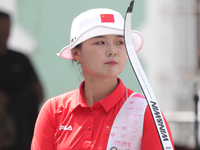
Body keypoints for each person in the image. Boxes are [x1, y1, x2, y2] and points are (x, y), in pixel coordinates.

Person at [31, 8, 174, 150]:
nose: (112, 51)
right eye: (100, 42)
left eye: (119, 42)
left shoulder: (146, 112)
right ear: (76, 52)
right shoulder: (53, 110)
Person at [0, 11, 44, 150]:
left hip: (23, 136)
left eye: (7, 32)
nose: (3, 37)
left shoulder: (21, 59)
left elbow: (40, 92)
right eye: (0, 32)